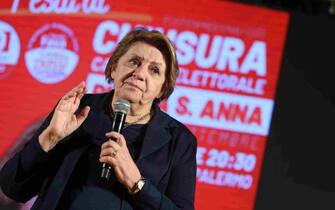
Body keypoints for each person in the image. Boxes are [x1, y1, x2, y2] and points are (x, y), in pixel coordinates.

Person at [0, 28, 197, 210]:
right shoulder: (76, 108)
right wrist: (49, 138)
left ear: (162, 89)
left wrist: (137, 182)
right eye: (134, 61)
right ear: (113, 68)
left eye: (154, 70)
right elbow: (12, 189)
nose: (139, 74)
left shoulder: (180, 141)